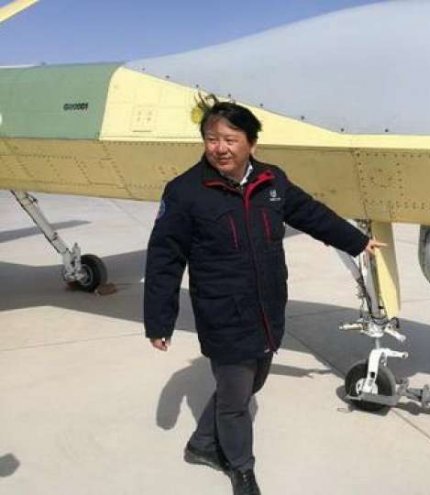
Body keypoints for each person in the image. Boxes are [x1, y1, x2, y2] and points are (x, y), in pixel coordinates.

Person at [144, 97, 383, 495]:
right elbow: (164, 259)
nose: (220, 148)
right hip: (223, 315)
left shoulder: (272, 181)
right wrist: (159, 320)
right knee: (236, 402)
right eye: (211, 139)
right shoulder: (186, 192)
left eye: (230, 139)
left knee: (249, 385)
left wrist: (356, 241)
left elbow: (310, 213)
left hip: (268, 310)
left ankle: (202, 444)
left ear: (251, 142)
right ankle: (241, 469)